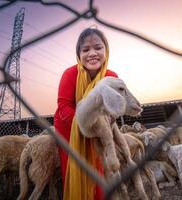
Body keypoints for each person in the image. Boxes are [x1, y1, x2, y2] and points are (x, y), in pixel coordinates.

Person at [53, 27, 118, 200]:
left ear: (106, 50)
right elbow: (63, 106)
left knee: (98, 167)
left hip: (98, 128)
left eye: (98, 47)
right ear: (78, 54)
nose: (92, 54)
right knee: (74, 167)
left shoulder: (111, 77)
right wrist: (85, 126)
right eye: (86, 49)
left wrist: (103, 124)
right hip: (69, 128)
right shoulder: (70, 74)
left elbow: (115, 107)